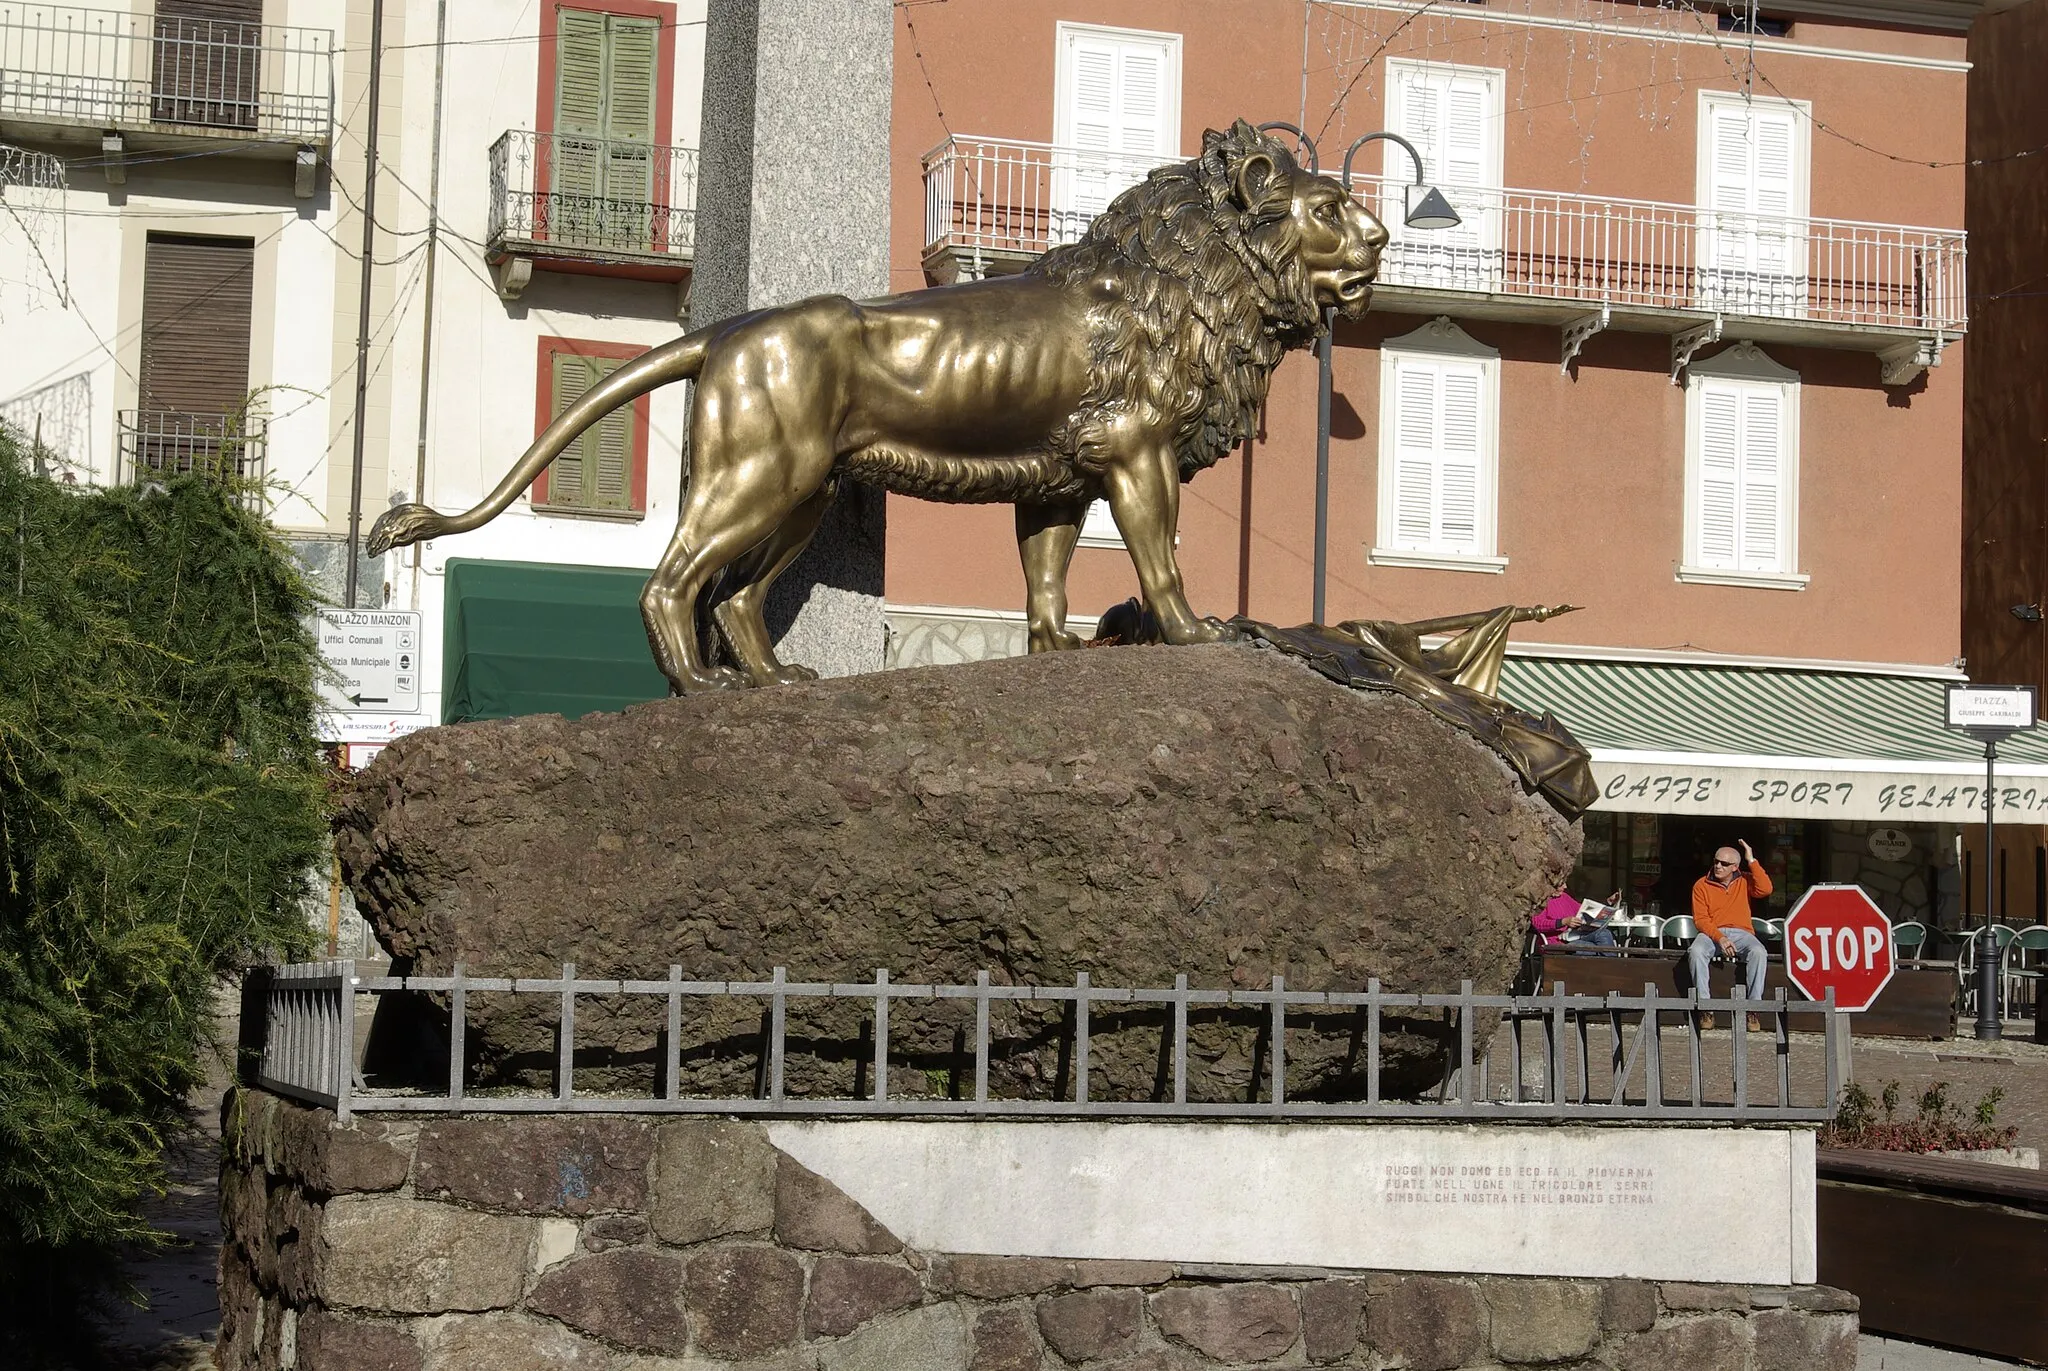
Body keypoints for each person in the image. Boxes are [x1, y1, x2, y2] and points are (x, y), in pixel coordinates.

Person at [1690, 839, 1773, 1027]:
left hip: (1742, 932)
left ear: (1735, 867)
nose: (1718, 866)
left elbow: (1766, 889)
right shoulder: (1701, 885)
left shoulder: (1744, 879)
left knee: (1759, 952)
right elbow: (1701, 920)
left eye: (1724, 864)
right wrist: (1720, 938)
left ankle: (1753, 1009)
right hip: (1713, 932)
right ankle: (1705, 1007)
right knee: (1696, 952)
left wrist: (1752, 860)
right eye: (1716, 861)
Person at [1532, 883, 1621, 954]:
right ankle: (1613, 972)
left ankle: (1611, 971)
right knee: (1596, 949)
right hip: (1557, 942)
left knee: (1604, 933)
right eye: (1561, 884)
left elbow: (1583, 909)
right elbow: (1537, 924)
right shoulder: (1542, 901)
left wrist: (1607, 902)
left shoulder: (1564, 897)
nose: (1565, 886)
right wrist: (1563, 922)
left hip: (1575, 935)